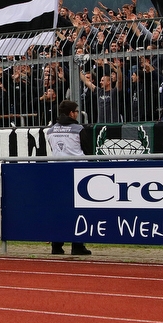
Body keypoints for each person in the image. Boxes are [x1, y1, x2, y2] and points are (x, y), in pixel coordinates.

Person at [44, 99, 93, 256]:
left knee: (60, 210)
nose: (77, 114)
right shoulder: (78, 129)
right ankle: (77, 244)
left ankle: (56, 245)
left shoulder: (50, 131)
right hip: (78, 174)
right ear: (71, 113)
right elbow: (88, 151)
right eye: (76, 111)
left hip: (58, 173)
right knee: (78, 210)